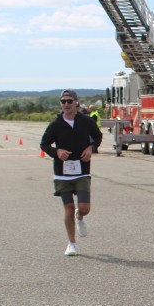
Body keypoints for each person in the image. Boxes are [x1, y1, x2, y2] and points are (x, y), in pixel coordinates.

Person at [41, 90, 102, 257]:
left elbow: (98, 137)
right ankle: (72, 244)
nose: (66, 104)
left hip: (82, 170)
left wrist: (91, 148)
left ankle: (80, 217)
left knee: (84, 208)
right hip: (62, 173)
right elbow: (44, 144)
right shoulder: (55, 124)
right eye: (63, 101)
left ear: (76, 102)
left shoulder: (86, 121)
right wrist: (56, 152)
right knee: (68, 208)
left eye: (69, 101)